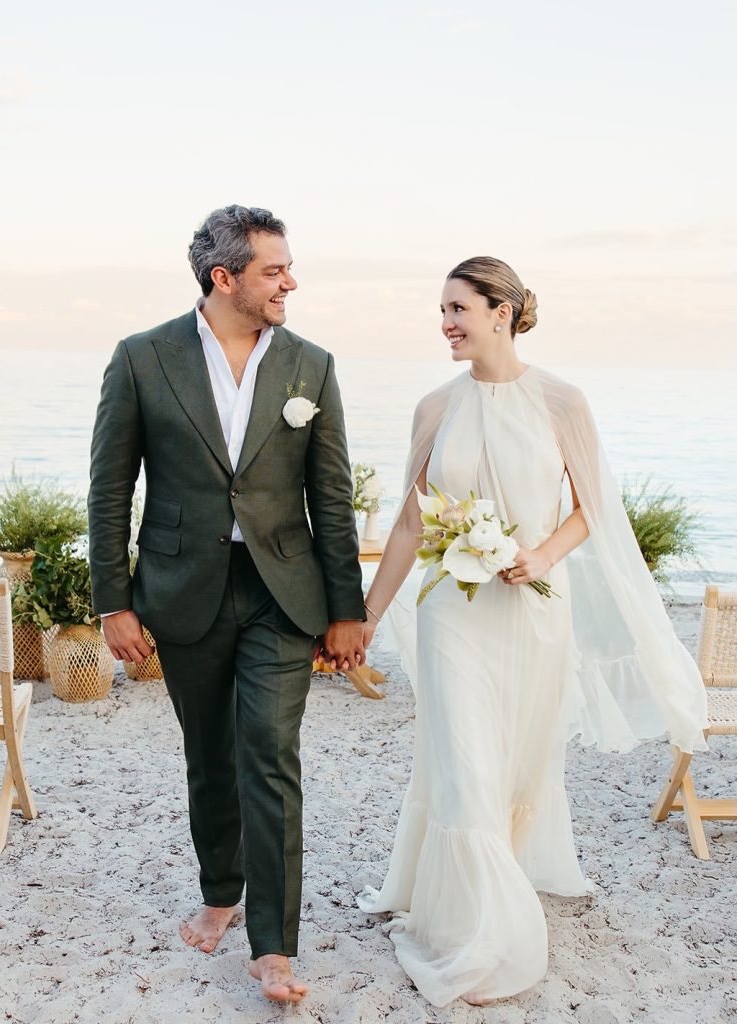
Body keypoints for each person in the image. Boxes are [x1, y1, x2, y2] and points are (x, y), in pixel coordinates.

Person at [358, 257, 708, 1007]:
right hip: (451, 609)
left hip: (534, 611)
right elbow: (412, 523)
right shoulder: (431, 408)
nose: (446, 323)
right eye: (442, 310)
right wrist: (370, 614)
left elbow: (593, 506)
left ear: (503, 311)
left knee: (514, 761)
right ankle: (478, 930)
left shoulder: (562, 401)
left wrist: (540, 554)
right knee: (465, 762)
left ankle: (498, 876)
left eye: (458, 308)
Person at [88, 206, 366, 1005]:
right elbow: (111, 487)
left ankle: (272, 947)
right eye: (274, 270)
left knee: (269, 758)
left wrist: (346, 608)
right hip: (184, 589)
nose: (290, 282)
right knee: (209, 753)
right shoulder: (143, 358)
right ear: (225, 277)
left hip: (284, 592)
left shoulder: (312, 365)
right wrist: (115, 599)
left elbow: (332, 498)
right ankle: (220, 891)